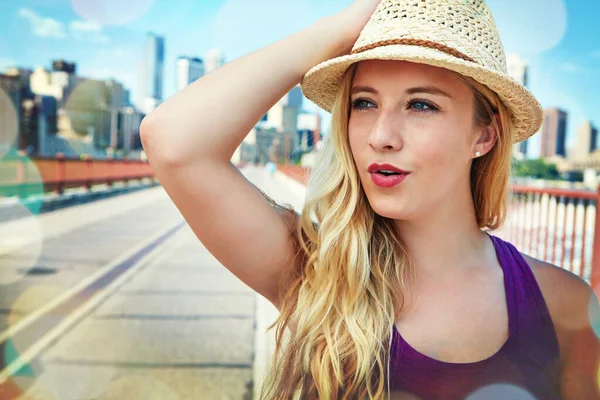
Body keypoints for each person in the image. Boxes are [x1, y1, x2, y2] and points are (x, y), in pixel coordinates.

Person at [139, 0, 600, 398]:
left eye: (421, 105)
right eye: (364, 102)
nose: (381, 136)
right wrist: (347, 24)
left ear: (485, 134)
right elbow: (173, 143)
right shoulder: (315, 270)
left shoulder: (563, 303)